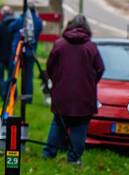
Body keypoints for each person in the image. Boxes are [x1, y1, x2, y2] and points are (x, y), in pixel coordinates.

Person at [41, 15, 104, 166]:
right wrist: (89, 83)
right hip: (84, 96)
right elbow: (100, 69)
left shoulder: (59, 45)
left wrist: (58, 81)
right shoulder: (91, 47)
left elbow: (49, 67)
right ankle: (74, 158)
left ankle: (48, 153)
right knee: (79, 127)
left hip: (62, 94)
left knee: (58, 122)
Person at [0, 5, 16, 100]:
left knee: (0, 76)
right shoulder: (15, 26)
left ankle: (3, 94)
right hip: (11, 55)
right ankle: (11, 93)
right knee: (11, 76)